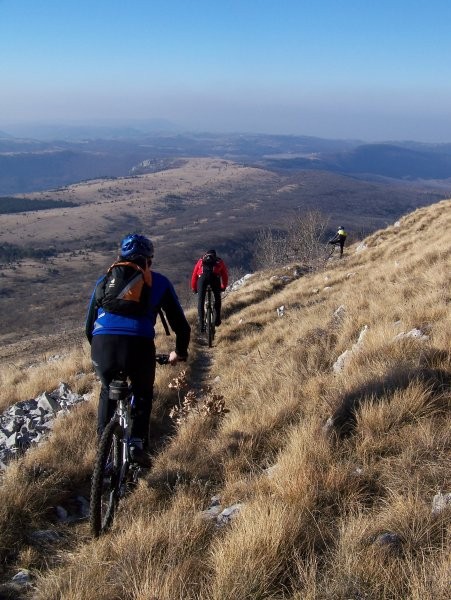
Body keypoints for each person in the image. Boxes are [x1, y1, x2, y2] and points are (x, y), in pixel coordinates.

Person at [85, 233, 190, 467]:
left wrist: (101, 354)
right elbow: (181, 327)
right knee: (142, 392)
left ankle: (102, 452)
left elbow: (88, 326)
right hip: (139, 346)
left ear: (120, 258)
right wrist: (179, 352)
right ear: (148, 261)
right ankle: (136, 443)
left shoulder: (104, 281)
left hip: (103, 347)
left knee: (106, 390)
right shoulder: (159, 282)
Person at [191, 249, 228, 331]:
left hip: (202, 279)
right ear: (215, 255)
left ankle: (201, 324)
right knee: (217, 298)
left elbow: (194, 275)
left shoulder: (201, 260)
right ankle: (217, 319)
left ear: (206, 255)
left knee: (201, 300)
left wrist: (194, 288)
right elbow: (224, 275)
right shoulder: (219, 261)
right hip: (214, 279)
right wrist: (223, 286)